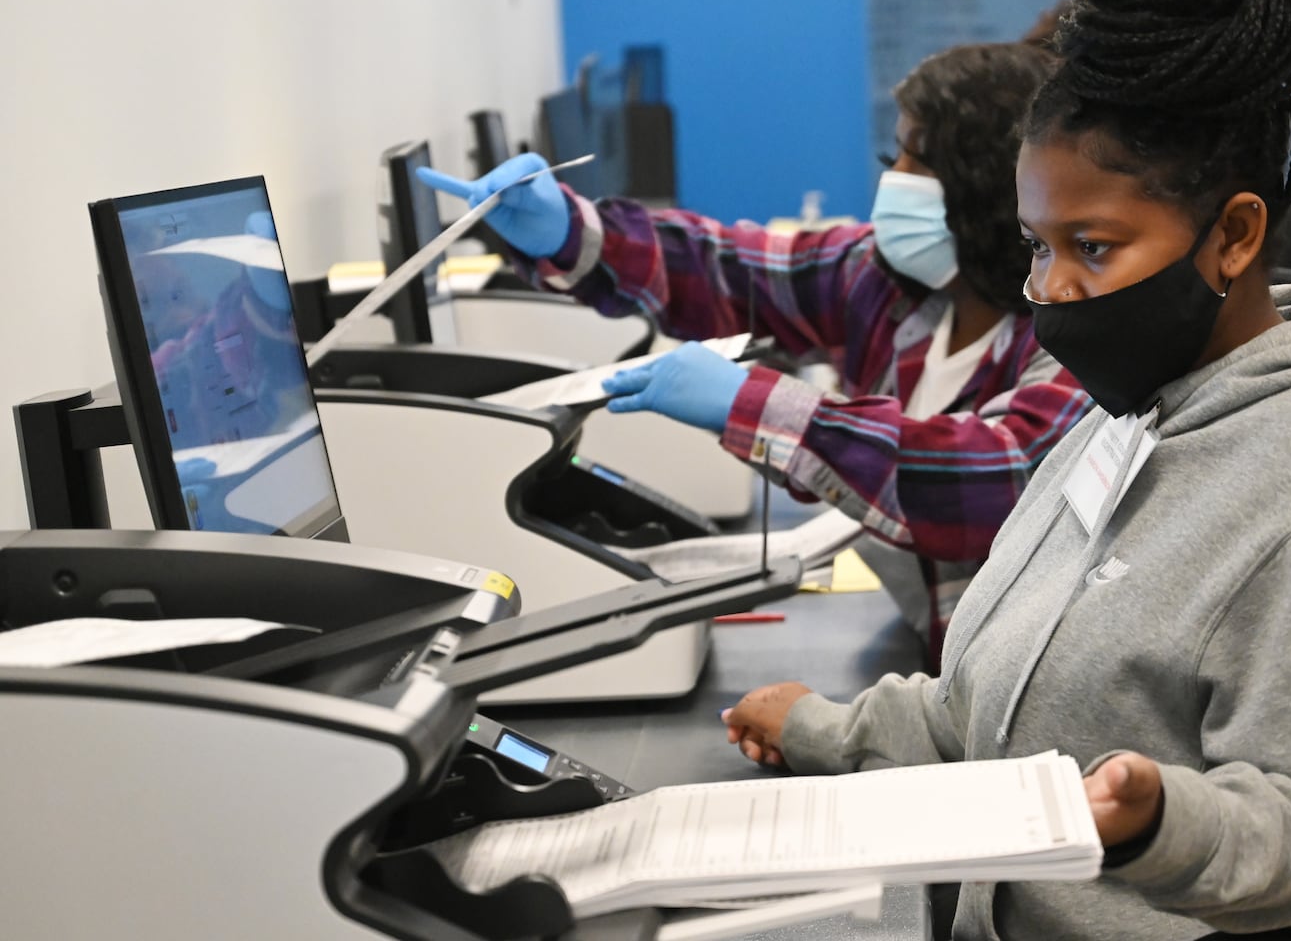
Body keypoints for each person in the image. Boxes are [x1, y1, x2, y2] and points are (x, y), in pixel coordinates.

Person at [718, 0, 1291, 938]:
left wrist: (1160, 823)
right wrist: (824, 728)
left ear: (1235, 236)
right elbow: (995, 707)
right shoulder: (1120, 413)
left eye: (1094, 247)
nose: (1051, 290)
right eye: (1039, 245)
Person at [419, 42, 1091, 668]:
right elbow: (728, 270)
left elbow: (993, 481)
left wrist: (761, 408)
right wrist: (568, 230)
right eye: (895, 160)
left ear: (987, 184)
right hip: (938, 662)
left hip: (1028, 682)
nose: (895, 182)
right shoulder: (888, 285)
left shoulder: (1077, 329)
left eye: (919, 161)